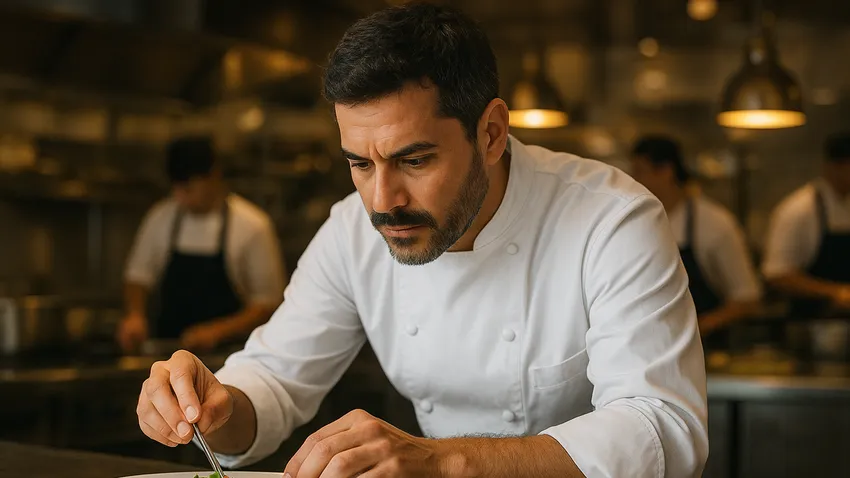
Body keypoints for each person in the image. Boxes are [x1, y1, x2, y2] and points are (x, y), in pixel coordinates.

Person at [134, 4, 708, 477]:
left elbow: (662, 425)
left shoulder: (612, 219)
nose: (383, 201)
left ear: (490, 133)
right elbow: (275, 381)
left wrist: (445, 463)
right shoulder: (349, 231)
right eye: (359, 163)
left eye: (414, 159)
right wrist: (216, 405)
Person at [116, 136, 286, 353]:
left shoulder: (252, 225)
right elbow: (138, 276)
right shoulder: (161, 217)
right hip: (168, 354)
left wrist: (218, 331)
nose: (180, 198)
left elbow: (268, 303)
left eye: (188, 190)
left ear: (214, 176)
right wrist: (135, 315)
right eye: (175, 189)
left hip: (231, 357)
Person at [629, 136, 762, 346]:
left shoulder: (714, 223)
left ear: (666, 171)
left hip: (707, 352)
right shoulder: (633, 223)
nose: (632, 179)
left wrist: (694, 330)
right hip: (645, 348)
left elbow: (747, 299)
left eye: (639, 171)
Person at [762, 131, 850, 318]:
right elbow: (776, 275)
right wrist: (835, 291)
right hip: (811, 326)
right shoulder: (799, 209)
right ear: (834, 166)